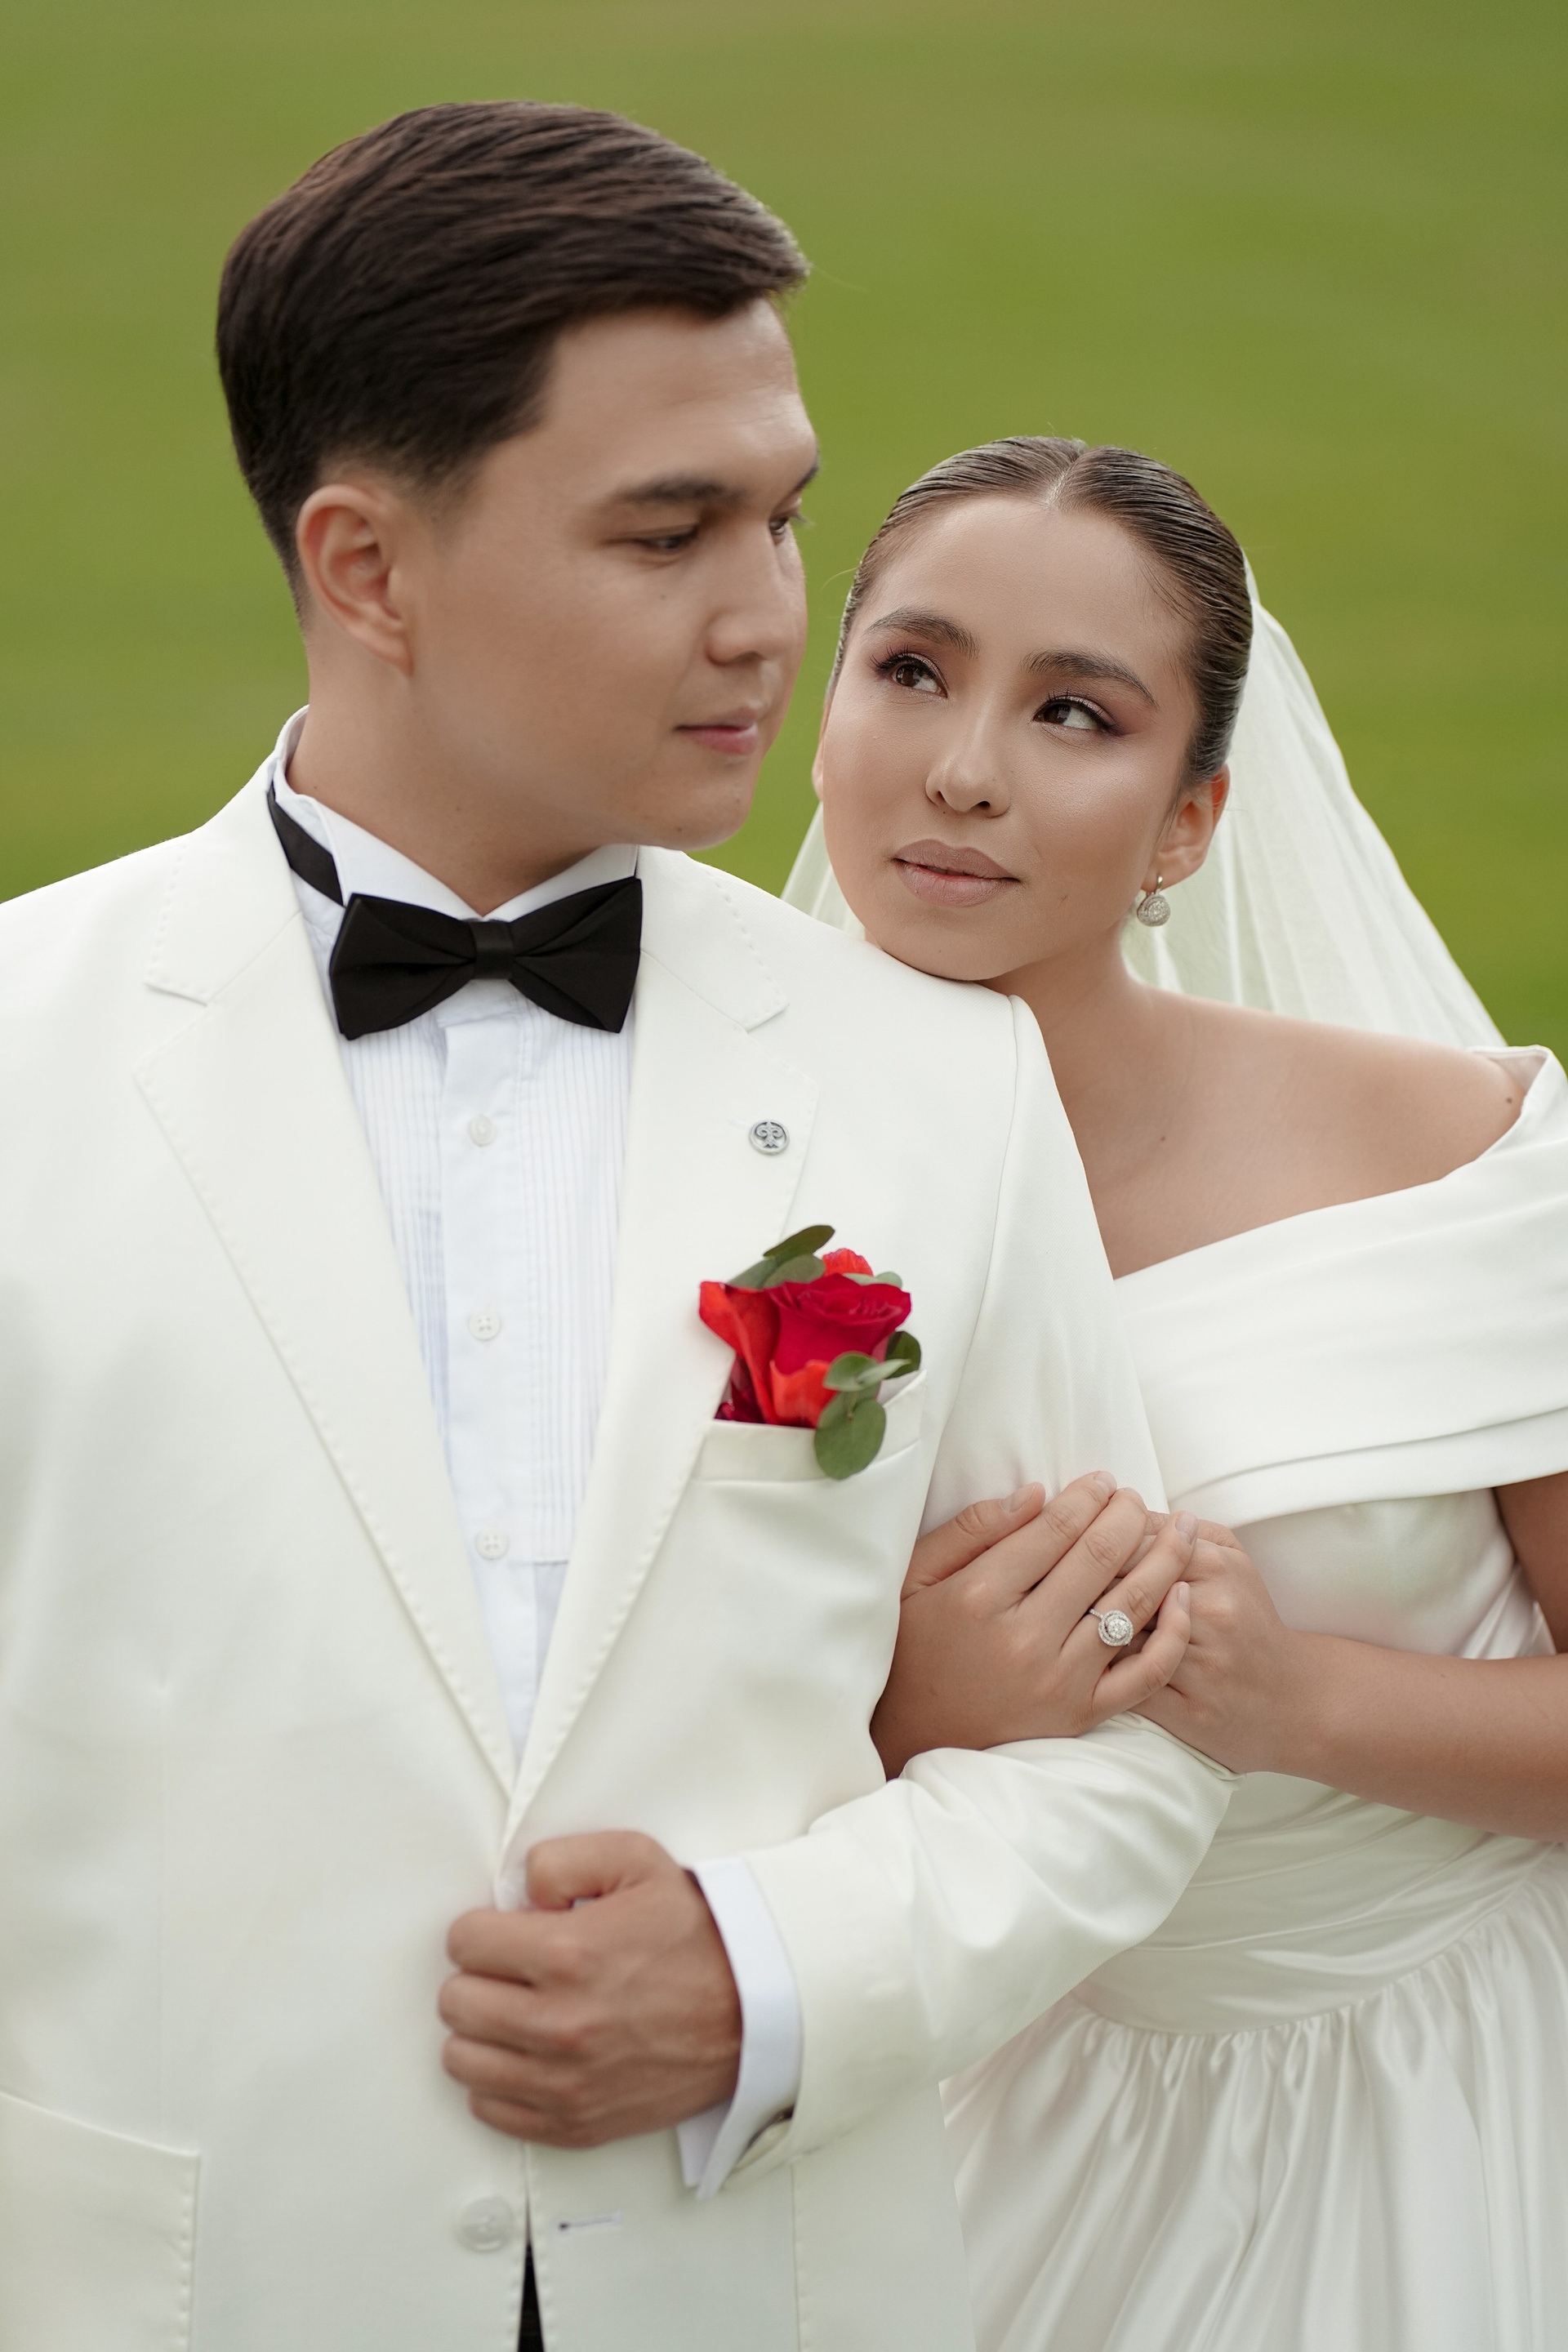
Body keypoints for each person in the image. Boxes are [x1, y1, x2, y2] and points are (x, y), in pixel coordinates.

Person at [0, 117, 1240, 2352]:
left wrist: (773, 1977)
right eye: (668, 533)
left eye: (781, 515)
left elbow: (1117, 1758)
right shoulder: (26, 1057)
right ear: (368, 568)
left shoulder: (939, 1083)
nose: (768, 616)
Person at [785, 434, 1568, 2351]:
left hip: (1453, 2101)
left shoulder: (1462, 1161)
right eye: (913, 670)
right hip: (1005, 2127)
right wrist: (911, 1713)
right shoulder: (724, 1200)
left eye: (1075, 712)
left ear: (1191, 820)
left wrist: (1298, 1701)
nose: (965, 768)